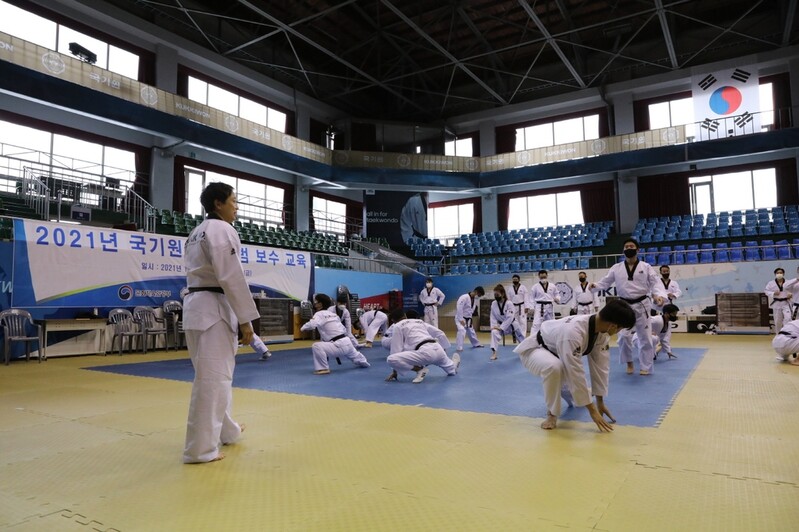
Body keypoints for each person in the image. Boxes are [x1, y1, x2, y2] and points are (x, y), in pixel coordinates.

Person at [182, 182, 261, 464]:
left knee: (214, 378)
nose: (236, 207)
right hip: (213, 309)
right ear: (218, 203)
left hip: (196, 308)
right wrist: (246, 320)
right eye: (233, 201)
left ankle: (227, 431)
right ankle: (200, 450)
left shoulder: (196, 232)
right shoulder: (222, 229)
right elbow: (231, 277)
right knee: (213, 381)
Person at [514, 299, 636, 431]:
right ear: (613, 325)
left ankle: (575, 392)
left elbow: (600, 366)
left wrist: (599, 403)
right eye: (621, 328)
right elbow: (575, 371)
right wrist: (592, 410)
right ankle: (552, 414)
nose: (619, 331)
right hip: (536, 349)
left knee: (574, 395)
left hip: (560, 357)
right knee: (554, 367)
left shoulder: (601, 331)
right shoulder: (574, 332)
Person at [590, 238, 667, 376]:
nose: (629, 248)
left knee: (645, 337)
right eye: (626, 247)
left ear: (638, 250)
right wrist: (595, 286)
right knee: (623, 337)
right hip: (624, 305)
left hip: (642, 304)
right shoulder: (616, 268)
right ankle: (629, 363)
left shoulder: (646, 267)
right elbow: (605, 282)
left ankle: (646, 366)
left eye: (631, 246)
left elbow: (655, 283)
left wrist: (658, 295)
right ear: (623, 250)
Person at [181, 285, 270, 360]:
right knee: (243, 334)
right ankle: (264, 350)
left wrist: (246, 320)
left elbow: (239, 289)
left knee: (248, 334)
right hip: (227, 310)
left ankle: (264, 350)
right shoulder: (193, 288)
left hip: (231, 309)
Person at [384, 308, 460, 384]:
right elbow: (440, 333)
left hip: (425, 353)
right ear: (405, 315)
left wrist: (395, 371)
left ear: (393, 321)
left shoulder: (397, 326)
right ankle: (453, 364)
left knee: (391, 359)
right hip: (438, 349)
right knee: (452, 371)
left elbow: (396, 350)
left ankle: (419, 370)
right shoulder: (419, 321)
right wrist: (444, 350)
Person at [300, 293, 370, 374]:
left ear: (320, 304)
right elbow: (344, 330)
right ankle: (363, 362)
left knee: (316, 346)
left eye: (316, 301)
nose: (314, 303)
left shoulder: (319, 314)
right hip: (347, 342)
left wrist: (302, 328)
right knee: (355, 355)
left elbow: (312, 324)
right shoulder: (334, 315)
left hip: (337, 345)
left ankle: (323, 368)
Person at [489, 284, 525, 360]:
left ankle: (527, 352)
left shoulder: (509, 303)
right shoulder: (493, 304)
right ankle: (494, 353)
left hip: (512, 325)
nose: (496, 296)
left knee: (522, 340)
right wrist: (494, 326)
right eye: (495, 295)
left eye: (497, 295)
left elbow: (510, 317)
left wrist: (501, 328)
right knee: (494, 332)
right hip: (500, 326)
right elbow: (492, 316)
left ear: (502, 294)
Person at [529, 270, 560, 337]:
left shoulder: (552, 286)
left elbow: (557, 294)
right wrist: (531, 307)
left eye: (544, 277)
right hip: (539, 306)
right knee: (536, 324)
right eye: (541, 277)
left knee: (551, 323)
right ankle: (533, 338)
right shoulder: (535, 286)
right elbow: (531, 298)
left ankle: (551, 338)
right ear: (539, 276)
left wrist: (557, 298)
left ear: (547, 276)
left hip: (549, 306)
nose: (543, 278)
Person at [455, 286, 485, 352]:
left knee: (471, 331)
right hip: (461, 317)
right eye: (479, 295)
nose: (479, 297)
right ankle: (459, 347)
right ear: (476, 292)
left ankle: (476, 344)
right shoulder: (464, 297)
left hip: (468, 318)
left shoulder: (475, 299)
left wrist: (470, 319)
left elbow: (471, 310)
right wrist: (461, 319)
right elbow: (459, 308)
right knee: (462, 330)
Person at [765, 267, 792, 334]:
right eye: (777, 273)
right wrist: (773, 293)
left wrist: (791, 294)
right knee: (777, 321)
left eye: (781, 273)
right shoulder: (771, 283)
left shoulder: (788, 282)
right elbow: (766, 291)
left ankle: (786, 333)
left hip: (786, 302)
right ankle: (778, 335)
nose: (779, 274)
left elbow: (793, 290)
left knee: (788, 318)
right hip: (777, 303)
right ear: (775, 274)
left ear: (783, 274)